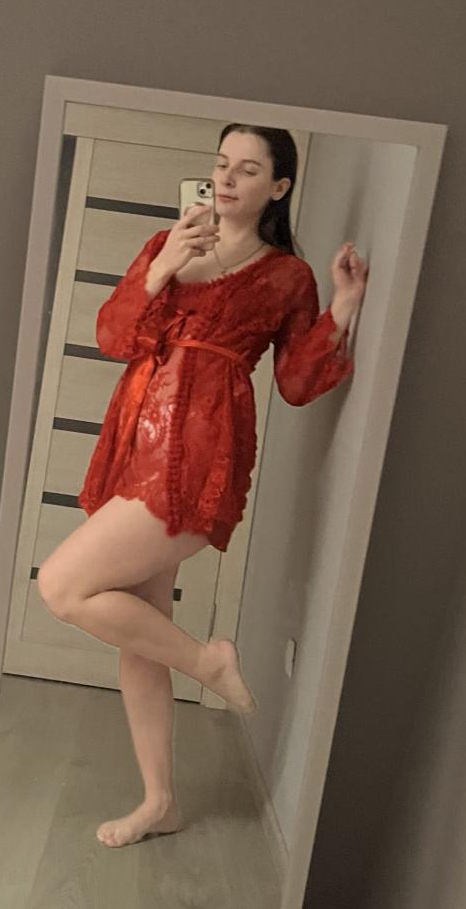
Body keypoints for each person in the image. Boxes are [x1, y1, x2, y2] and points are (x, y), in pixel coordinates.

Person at [37, 124, 368, 847]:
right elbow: (112, 337)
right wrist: (162, 269)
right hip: (133, 444)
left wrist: (342, 305)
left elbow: (297, 380)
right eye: (221, 165)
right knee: (139, 633)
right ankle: (160, 802)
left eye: (247, 169)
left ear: (278, 186)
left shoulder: (286, 277)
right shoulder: (169, 244)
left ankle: (205, 662)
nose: (227, 179)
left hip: (200, 449)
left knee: (62, 586)